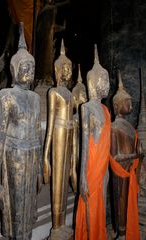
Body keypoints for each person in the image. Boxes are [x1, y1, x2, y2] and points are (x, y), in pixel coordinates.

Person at [0, 23, 42, 240]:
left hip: (32, 157)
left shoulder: (36, 98)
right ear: (14, 70)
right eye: (25, 67)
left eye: (32, 67)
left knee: (29, 210)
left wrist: (40, 168)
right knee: (16, 211)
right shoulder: (6, 96)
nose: (29, 71)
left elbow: (38, 136)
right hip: (14, 158)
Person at [75, 44, 110, 240]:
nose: (107, 84)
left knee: (101, 209)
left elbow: (106, 147)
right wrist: (82, 179)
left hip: (102, 171)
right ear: (93, 82)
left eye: (106, 80)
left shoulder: (106, 111)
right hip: (90, 171)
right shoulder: (86, 108)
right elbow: (84, 146)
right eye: (103, 80)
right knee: (90, 212)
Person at [43, 39, 74, 240]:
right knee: (58, 180)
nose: (68, 71)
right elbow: (51, 123)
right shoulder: (53, 92)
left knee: (64, 181)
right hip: (58, 134)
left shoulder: (70, 94)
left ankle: (62, 224)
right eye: (65, 67)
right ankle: (55, 226)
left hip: (69, 135)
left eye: (69, 67)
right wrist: (46, 156)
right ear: (57, 69)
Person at [109, 70, 143, 240]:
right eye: (127, 103)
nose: (130, 106)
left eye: (130, 102)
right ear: (116, 106)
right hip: (120, 172)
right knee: (120, 204)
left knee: (129, 204)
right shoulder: (114, 128)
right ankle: (121, 233)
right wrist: (134, 156)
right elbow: (114, 157)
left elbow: (136, 151)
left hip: (130, 171)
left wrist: (139, 154)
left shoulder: (130, 127)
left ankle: (128, 230)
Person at [71, 64, 87, 192]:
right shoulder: (75, 118)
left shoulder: (86, 116)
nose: (85, 98)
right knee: (75, 162)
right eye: (83, 95)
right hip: (76, 147)